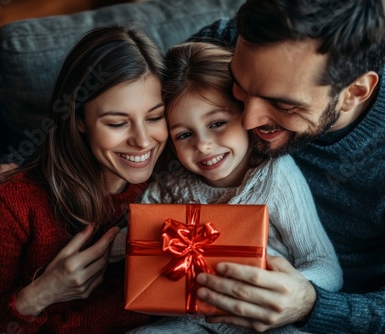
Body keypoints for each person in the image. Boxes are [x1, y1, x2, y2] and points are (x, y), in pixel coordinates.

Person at [187, 0, 385, 333]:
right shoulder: (224, 43)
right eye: (239, 85)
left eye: (282, 104)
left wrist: (310, 305)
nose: (249, 119)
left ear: (355, 91)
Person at [120, 41, 342, 333]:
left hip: (263, 320)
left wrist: (290, 290)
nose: (203, 145)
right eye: (184, 134)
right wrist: (120, 244)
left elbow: (326, 266)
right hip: (191, 320)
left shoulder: (275, 177)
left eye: (217, 123)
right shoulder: (171, 187)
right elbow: (138, 240)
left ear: (246, 114)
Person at [0, 26, 168, 333]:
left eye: (154, 117)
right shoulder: (9, 209)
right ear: (80, 120)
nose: (142, 141)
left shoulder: (171, 182)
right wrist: (42, 294)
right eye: (117, 123)